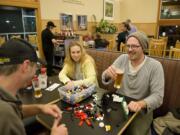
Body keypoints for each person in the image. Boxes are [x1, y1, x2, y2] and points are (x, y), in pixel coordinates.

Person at [0, 38, 68, 135]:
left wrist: (40, 108)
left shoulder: (6, 98)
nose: (35, 72)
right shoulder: (5, 115)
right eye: (36, 67)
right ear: (26, 66)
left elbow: (16, 109)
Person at [102, 31, 164, 135]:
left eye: (134, 46)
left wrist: (140, 104)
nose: (130, 49)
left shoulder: (155, 66)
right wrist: (107, 74)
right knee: (106, 125)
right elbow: (104, 77)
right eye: (128, 46)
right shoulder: (122, 59)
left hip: (141, 111)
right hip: (119, 105)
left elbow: (158, 97)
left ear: (143, 47)